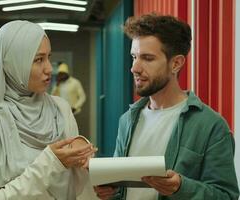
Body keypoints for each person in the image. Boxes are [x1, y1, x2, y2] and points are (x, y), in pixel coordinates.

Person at [94, 14, 239, 200]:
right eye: (134, 57)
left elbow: (226, 196)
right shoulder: (127, 120)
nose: (134, 68)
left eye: (147, 58)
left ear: (176, 63)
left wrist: (180, 187)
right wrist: (110, 192)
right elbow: (122, 191)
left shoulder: (211, 126)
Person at [0, 21, 98, 200]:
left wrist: (82, 160)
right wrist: (49, 164)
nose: (48, 68)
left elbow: (74, 187)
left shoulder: (60, 109)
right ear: (12, 64)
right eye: (38, 59)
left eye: (48, 57)